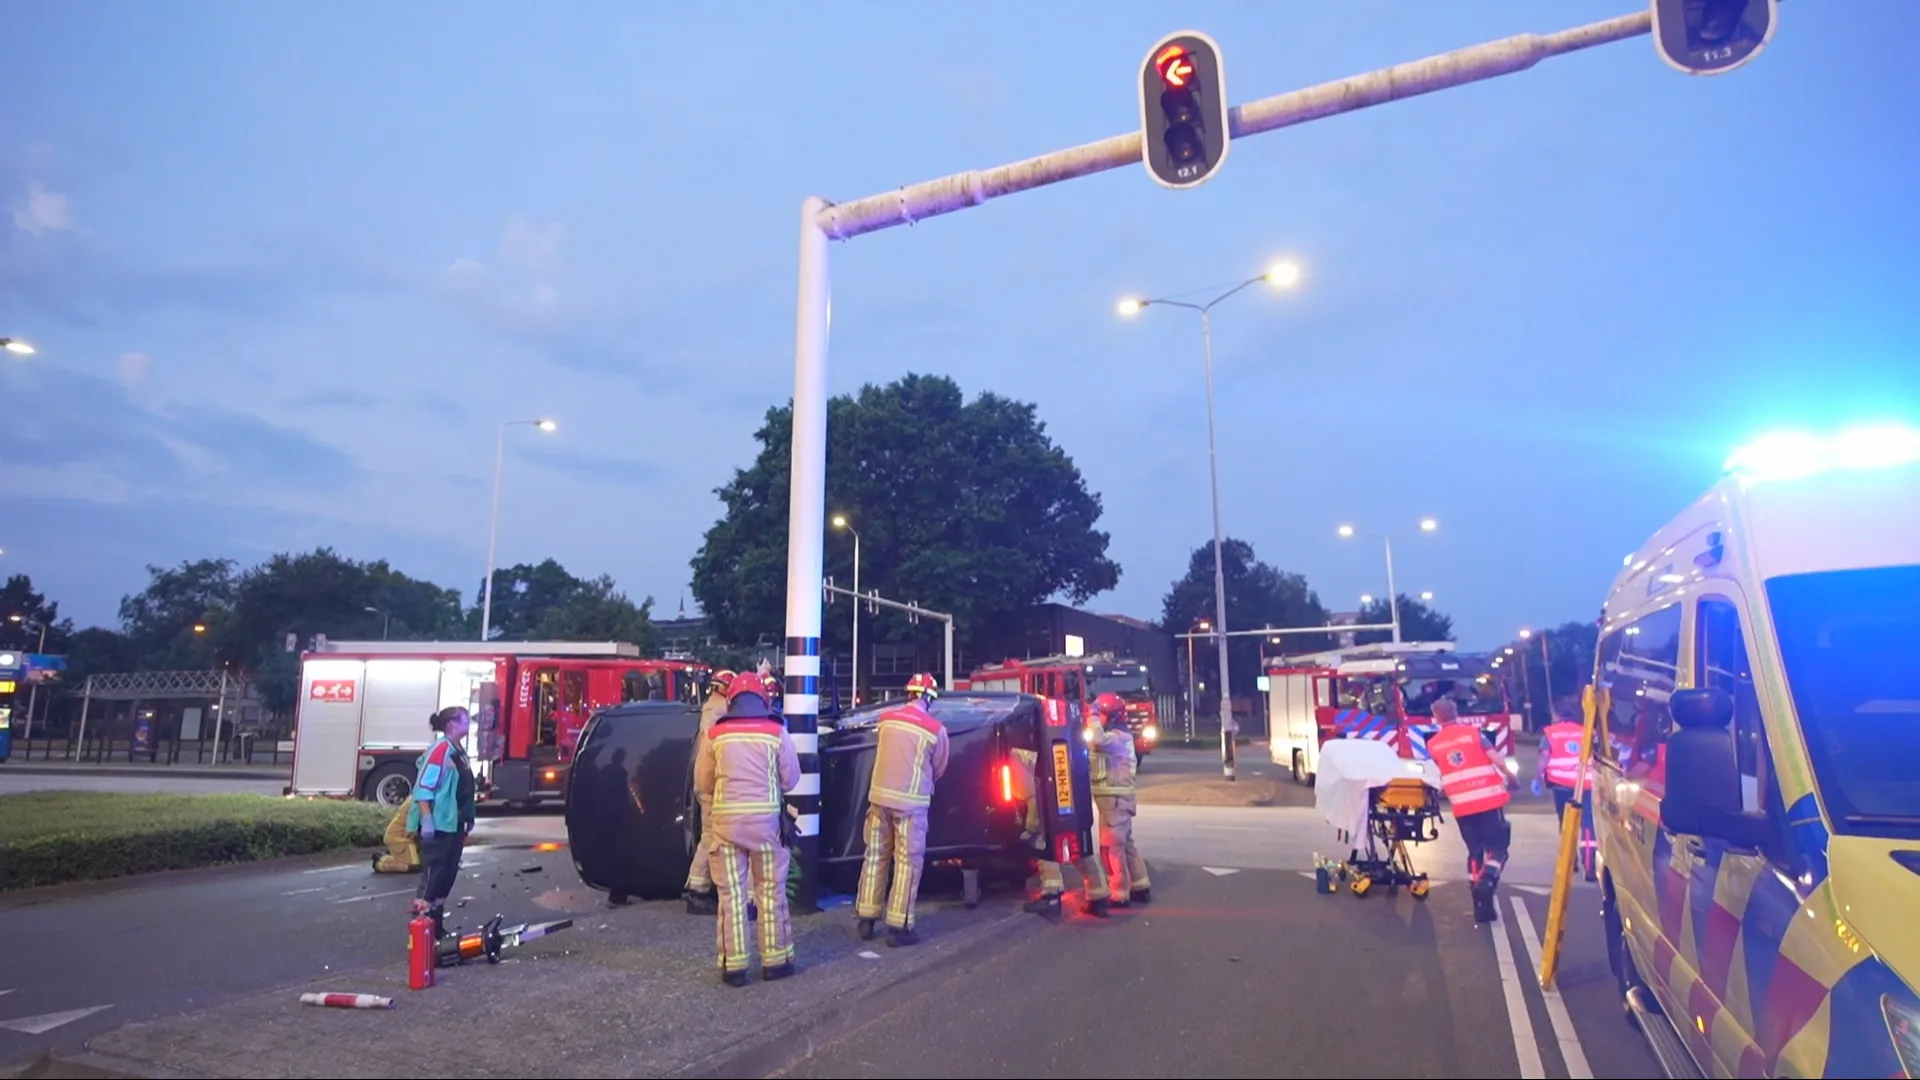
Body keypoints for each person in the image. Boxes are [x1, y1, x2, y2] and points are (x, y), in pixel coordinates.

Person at [693, 671, 801, 986]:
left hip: (726, 826)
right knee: (770, 891)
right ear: (763, 700)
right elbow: (791, 779)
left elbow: (703, 783)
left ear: (731, 700)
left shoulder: (715, 734)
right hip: (766, 827)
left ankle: (734, 966)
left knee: (731, 895)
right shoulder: (776, 732)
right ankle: (775, 961)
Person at [854, 673, 951, 946]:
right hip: (911, 804)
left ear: (908, 693)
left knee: (875, 856)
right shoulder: (936, 730)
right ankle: (899, 927)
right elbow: (939, 767)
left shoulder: (886, 719)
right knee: (907, 862)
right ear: (929, 699)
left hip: (879, 799)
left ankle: (866, 918)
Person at [1427, 698, 1518, 924]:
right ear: (1456, 712)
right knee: (1498, 848)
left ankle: (1479, 905)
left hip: (1462, 806)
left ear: (1436, 717)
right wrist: (1511, 777)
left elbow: (1440, 772)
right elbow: (1496, 760)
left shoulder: (1433, 744)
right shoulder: (1474, 734)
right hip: (1489, 800)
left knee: (1475, 851)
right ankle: (1487, 881)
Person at [1012, 747, 1111, 920]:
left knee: (1042, 844)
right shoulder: (1060, 745)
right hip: (1070, 801)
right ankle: (1099, 895)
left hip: (1047, 805)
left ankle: (1051, 895)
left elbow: (1032, 796)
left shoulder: (1016, 755)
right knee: (1077, 845)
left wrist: (1029, 828)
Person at [408, 707, 477, 939]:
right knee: (433, 876)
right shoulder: (441, 750)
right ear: (451, 725)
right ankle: (421, 934)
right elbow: (424, 788)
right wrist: (426, 819)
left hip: (453, 823)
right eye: (464, 719)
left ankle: (435, 930)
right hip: (438, 824)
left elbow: (464, 788)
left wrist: (468, 818)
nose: (469, 722)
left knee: (446, 876)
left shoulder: (458, 751)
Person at [681, 668, 737, 914]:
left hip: (708, 782)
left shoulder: (711, 708)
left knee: (713, 836)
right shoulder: (719, 712)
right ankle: (697, 891)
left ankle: (704, 886)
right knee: (711, 836)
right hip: (712, 784)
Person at [1088, 693, 1151, 907]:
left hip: (1114, 802)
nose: (1098, 720)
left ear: (1111, 716)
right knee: (1126, 845)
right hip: (1117, 802)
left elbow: (1096, 739)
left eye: (1101, 715)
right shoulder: (1121, 737)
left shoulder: (1115, 738)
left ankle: (1119, 893)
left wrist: (1092, 715)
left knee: (1112, 848)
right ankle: (1141, 885)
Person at [1533, 712, 1598, 880]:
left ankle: (1570, 861)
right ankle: (1589, 867)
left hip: (1561, 785)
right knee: (1588, 825)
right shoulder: (1586, 730)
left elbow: (1544, 755)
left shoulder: (1551, 733)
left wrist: (1538, 778)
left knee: (1566, 823)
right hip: (1586, 784)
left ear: (1557, 715)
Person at [372, 797, 421, 873]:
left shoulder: (417, 797)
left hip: (405, 837)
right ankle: (381, 863)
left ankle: (392, 856)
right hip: (400, 838)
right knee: (413, 866)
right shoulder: (419, 800)